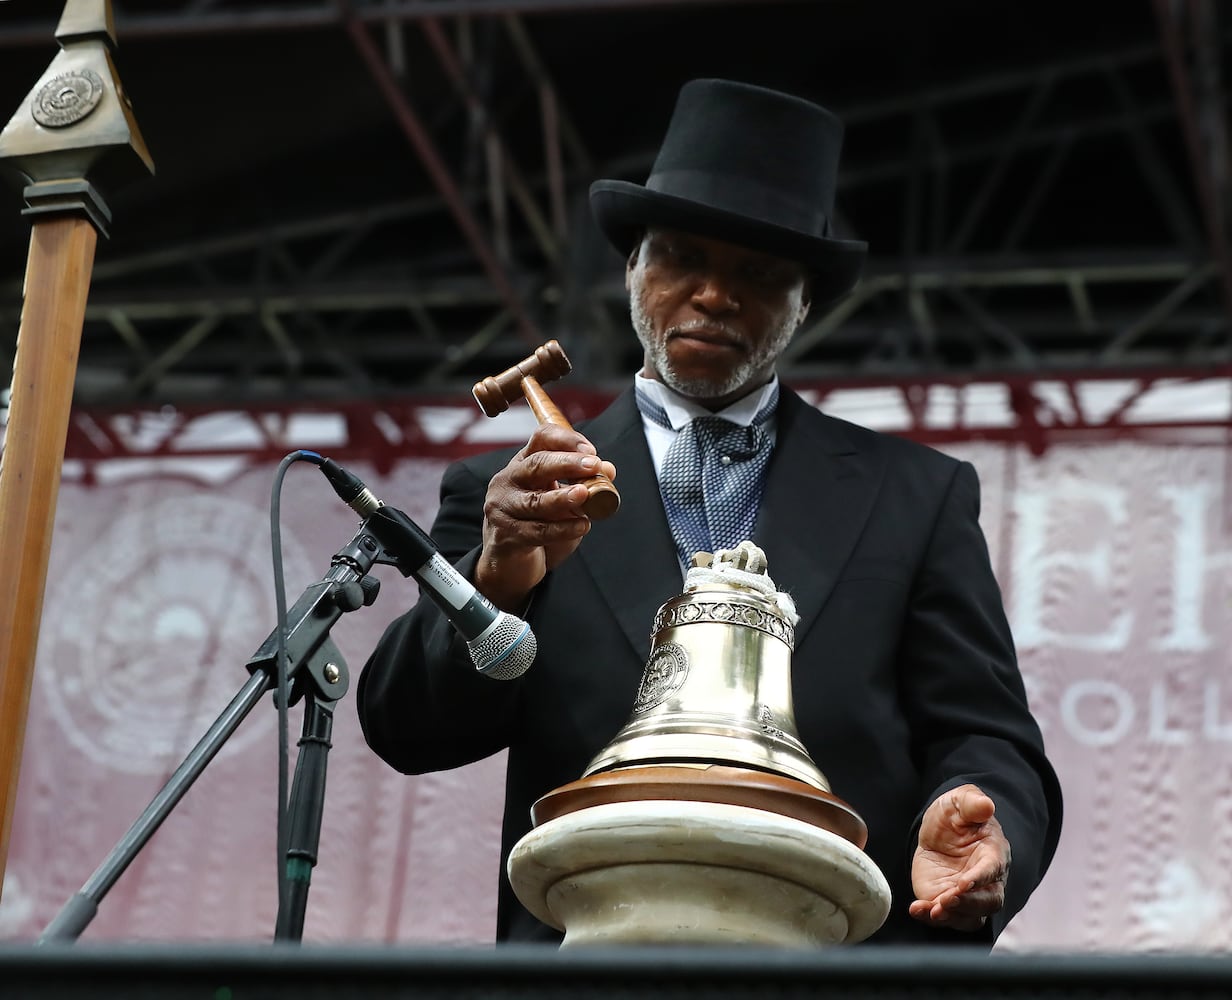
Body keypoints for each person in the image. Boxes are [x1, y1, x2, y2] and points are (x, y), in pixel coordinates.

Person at [357, 78, 1062, 946]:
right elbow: (407, 728)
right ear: (632, 269)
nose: (716, 295)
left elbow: (987, 734)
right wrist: (498, 577)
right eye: (683, 258)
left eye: (760, 275)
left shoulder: (917, 496)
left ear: (806, 303)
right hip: (594, 959)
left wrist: (985, 827)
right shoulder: (506, 496)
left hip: (846, 964)